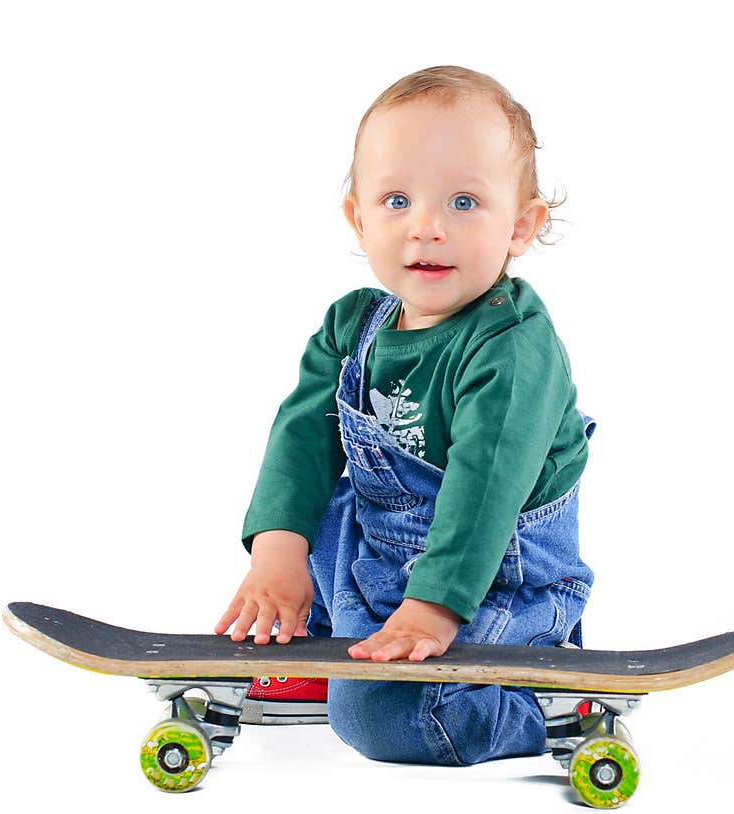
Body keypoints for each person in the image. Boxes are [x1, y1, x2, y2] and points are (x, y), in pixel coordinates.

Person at [214, 65, 595, 765]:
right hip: (381, 558)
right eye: (397, 199)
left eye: (463, 202)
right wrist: (278, 554)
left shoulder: (513, 349)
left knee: (383, 721)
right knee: (321, 491)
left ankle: (549, 704)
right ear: (358, 217)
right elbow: (300, 439)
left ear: (523, 225)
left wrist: (435, 608)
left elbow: (484, 489)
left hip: (491, 577)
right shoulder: (351, 325)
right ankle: (317, 643)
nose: (427, 227)